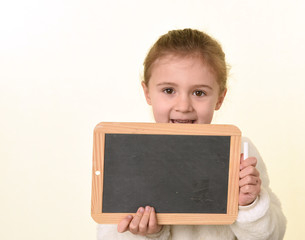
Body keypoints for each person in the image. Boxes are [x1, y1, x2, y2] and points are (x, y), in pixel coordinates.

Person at [97, 28, 286, 240]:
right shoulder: (128, 155)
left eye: (199, 93)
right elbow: (109, 235)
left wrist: (250, 205)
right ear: (147, 93)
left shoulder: (240, 152)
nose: (184, 106)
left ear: (220, 98)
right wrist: (151, 234)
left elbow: (272, 236)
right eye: (169, 90)